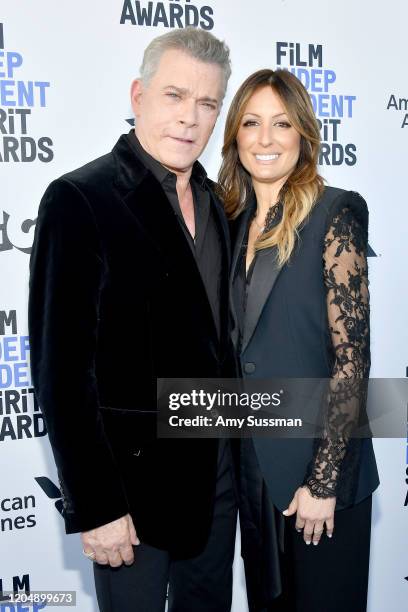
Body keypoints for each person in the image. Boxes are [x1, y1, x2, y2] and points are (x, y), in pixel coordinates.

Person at [28, 27, 239, 612]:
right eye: (175, 96)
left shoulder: (219, 203)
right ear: (137, 95)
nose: (190, 119)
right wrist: (96, 507)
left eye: (207, 104)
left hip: (214, 484)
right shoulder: (80, 198)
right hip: (128, 496)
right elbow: (61, 373)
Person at [217, 69, 380, 611]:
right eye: (251, 123)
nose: (265, 139)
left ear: (304, 134)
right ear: (234, 135)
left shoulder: (335, 212)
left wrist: (324, 482)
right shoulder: (229, 219)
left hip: (320, 475)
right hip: (253, 474)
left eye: (281, 124)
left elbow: (351, 361)